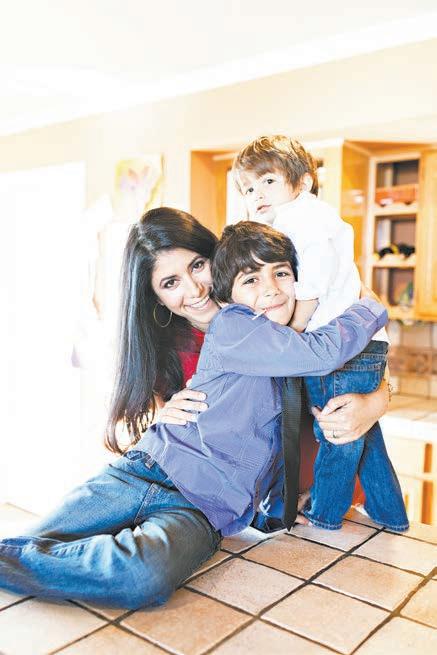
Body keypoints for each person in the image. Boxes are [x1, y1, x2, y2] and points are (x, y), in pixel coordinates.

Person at [0, 209, 389, 609]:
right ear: (157, 298)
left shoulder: (282, 310)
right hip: (144, 469)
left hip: (203, 508)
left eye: (198, 265)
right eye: (170, 283)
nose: (195, 288)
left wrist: (377, 398)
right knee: (30, 541)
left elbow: (282, 421)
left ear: (218, 260)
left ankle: (114, 555)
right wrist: (160, 411)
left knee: (141, 576)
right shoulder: (189, 339)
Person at [233, 135, 408, 531]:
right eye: (248, 188)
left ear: (304, 182)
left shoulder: (301, 218)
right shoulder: (307, 219)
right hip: (359, 346)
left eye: (268, 181)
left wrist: (293, 333)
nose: (257, 194)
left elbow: (312, 283)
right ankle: (390, 512)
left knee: (335, 431)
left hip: (341, 347)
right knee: (361, 431)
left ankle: (324, 515)